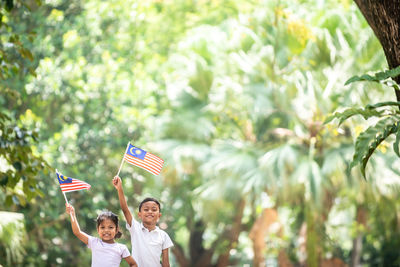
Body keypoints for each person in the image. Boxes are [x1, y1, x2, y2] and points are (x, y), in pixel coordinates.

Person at [112, 175, 173, 267]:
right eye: (146, 209)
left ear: (159, 215)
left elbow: (166, 263)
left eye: (154, 209)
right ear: (139, 214)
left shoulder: (163, 236)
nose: (150, 212)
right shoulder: (135, 228)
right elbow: (125, 209)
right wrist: (119, 188)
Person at [65, 203, 138, 267]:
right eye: (102, 227)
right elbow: (77, 232)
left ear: (116, 229)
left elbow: (133, 264)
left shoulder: (121, 248)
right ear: (98, 229)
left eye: (110, 227)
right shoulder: (94, 242)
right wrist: (73, 214)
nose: (106, 230)